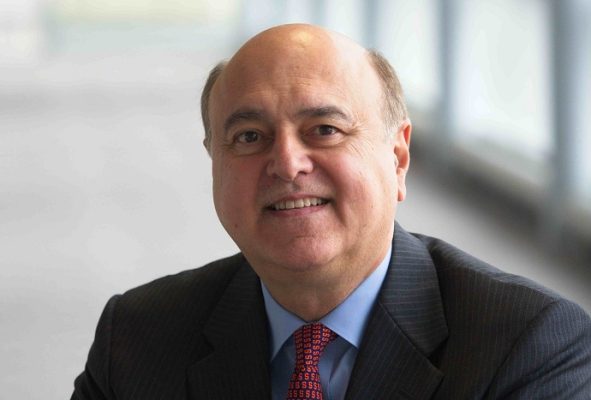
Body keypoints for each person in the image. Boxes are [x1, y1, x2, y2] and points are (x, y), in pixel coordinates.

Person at [71, 24, 591, 400]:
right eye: (249, 137)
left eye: (325, 130)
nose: (287, 164)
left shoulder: (529, 344)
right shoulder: (138, 338)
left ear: (398, 157)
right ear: (214, 164)